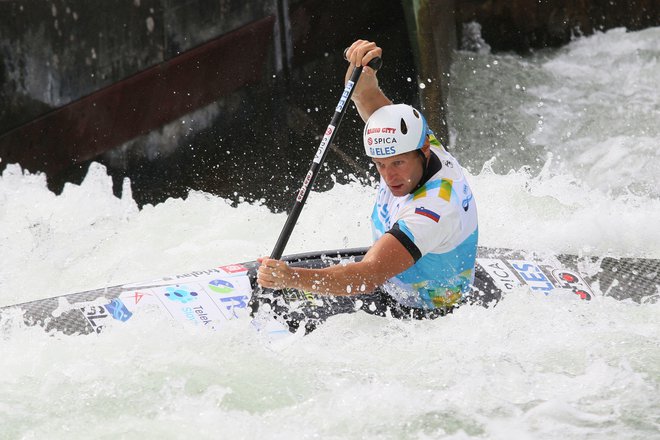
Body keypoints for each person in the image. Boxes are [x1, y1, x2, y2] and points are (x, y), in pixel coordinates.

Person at [257, 40, 478, 318]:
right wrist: (359, 71)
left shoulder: (433, 210)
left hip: (423, 313)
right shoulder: (417, 140)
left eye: (397, 163)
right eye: (379, 165)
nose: (389, 176)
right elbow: (364, 95)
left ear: (423, 150)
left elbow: (367, 275)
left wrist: (290, 278)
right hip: (393, 281)